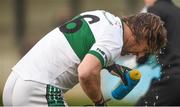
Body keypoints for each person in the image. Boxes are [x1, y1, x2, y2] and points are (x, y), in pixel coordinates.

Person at [3, 10, 167, 106]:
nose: (139, 55)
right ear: (142, 35)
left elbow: (83, 49)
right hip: (38, 90)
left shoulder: (103, 16)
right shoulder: (115, 41)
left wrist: (114, 68)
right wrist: (100, 102)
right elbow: (86, 72)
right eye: (144, 49)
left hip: (14, 82)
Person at [136, 0, 180, 106]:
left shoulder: (154, 11)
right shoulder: (177, 11)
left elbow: (147, 38)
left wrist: (141, 58)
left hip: (174, 77)